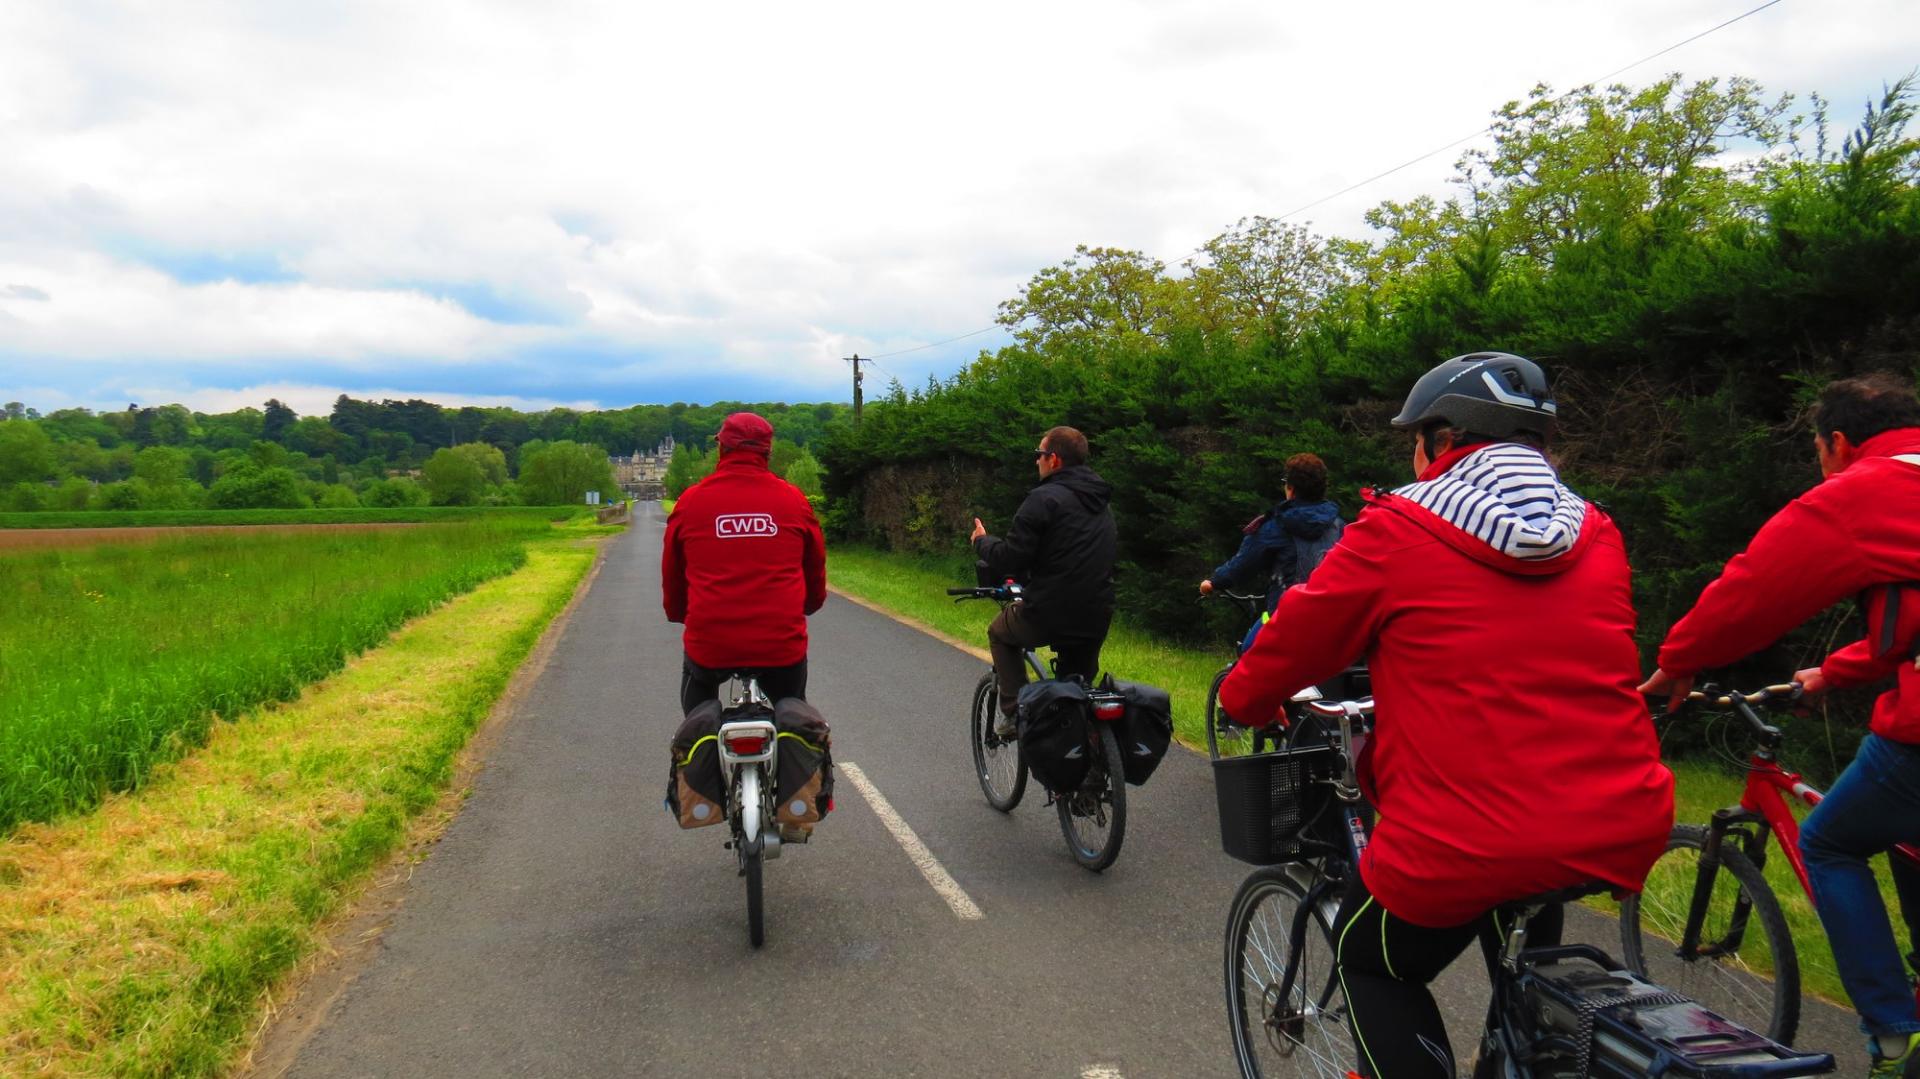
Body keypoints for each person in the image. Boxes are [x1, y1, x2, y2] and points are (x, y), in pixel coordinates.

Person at [1218, 351, 1674, 1079]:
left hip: (1464, 837)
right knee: (1526, 951)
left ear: (1443, 438)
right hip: (1618, 818)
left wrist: (1244, 696)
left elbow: (1298, 634)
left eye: (1415, 437)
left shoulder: (1398, 529)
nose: (1412, 453)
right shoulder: (1597, 531)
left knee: (1370, 962)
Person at [1641, 372, 1920, 1077]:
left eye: (1818, 450)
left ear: (1838, 442)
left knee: (1830, 840)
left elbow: (1756, 584)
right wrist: (1840, 669)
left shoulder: (1868, 487)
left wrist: (1681, 659)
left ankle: (1895, 1034)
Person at [662, 412, 826, 714]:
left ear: (721, 448)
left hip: (710, 643)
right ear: (767, 452)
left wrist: (680, 613)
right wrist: (809, 605)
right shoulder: (793, 500)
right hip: (780, 644)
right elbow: (814, 566)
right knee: (793, 710)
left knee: (697, 714)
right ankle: (802, 753)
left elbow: (673, 574)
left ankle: (693, 750)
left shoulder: (691, 502)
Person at [969, 425, 1117, 738]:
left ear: (1054, 459)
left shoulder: (1043, 499)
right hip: (1097, 613)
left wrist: (982, 542)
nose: (1036, 461)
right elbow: (1065, 555)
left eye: (1039, 455)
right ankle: (1089, 771)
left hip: (1050, 612)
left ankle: (1013, 713)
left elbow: (1012, 557)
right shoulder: (1101, 504)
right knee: (1077, 691)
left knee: (999, 632)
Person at [1198, 451, 1344, 655]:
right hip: (1334, 622)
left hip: (1286, 620)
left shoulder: (1276, 526)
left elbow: (1243, 564)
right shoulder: (1338, 526)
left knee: (1248, 653)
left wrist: (1214, 583)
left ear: (1291, 489)